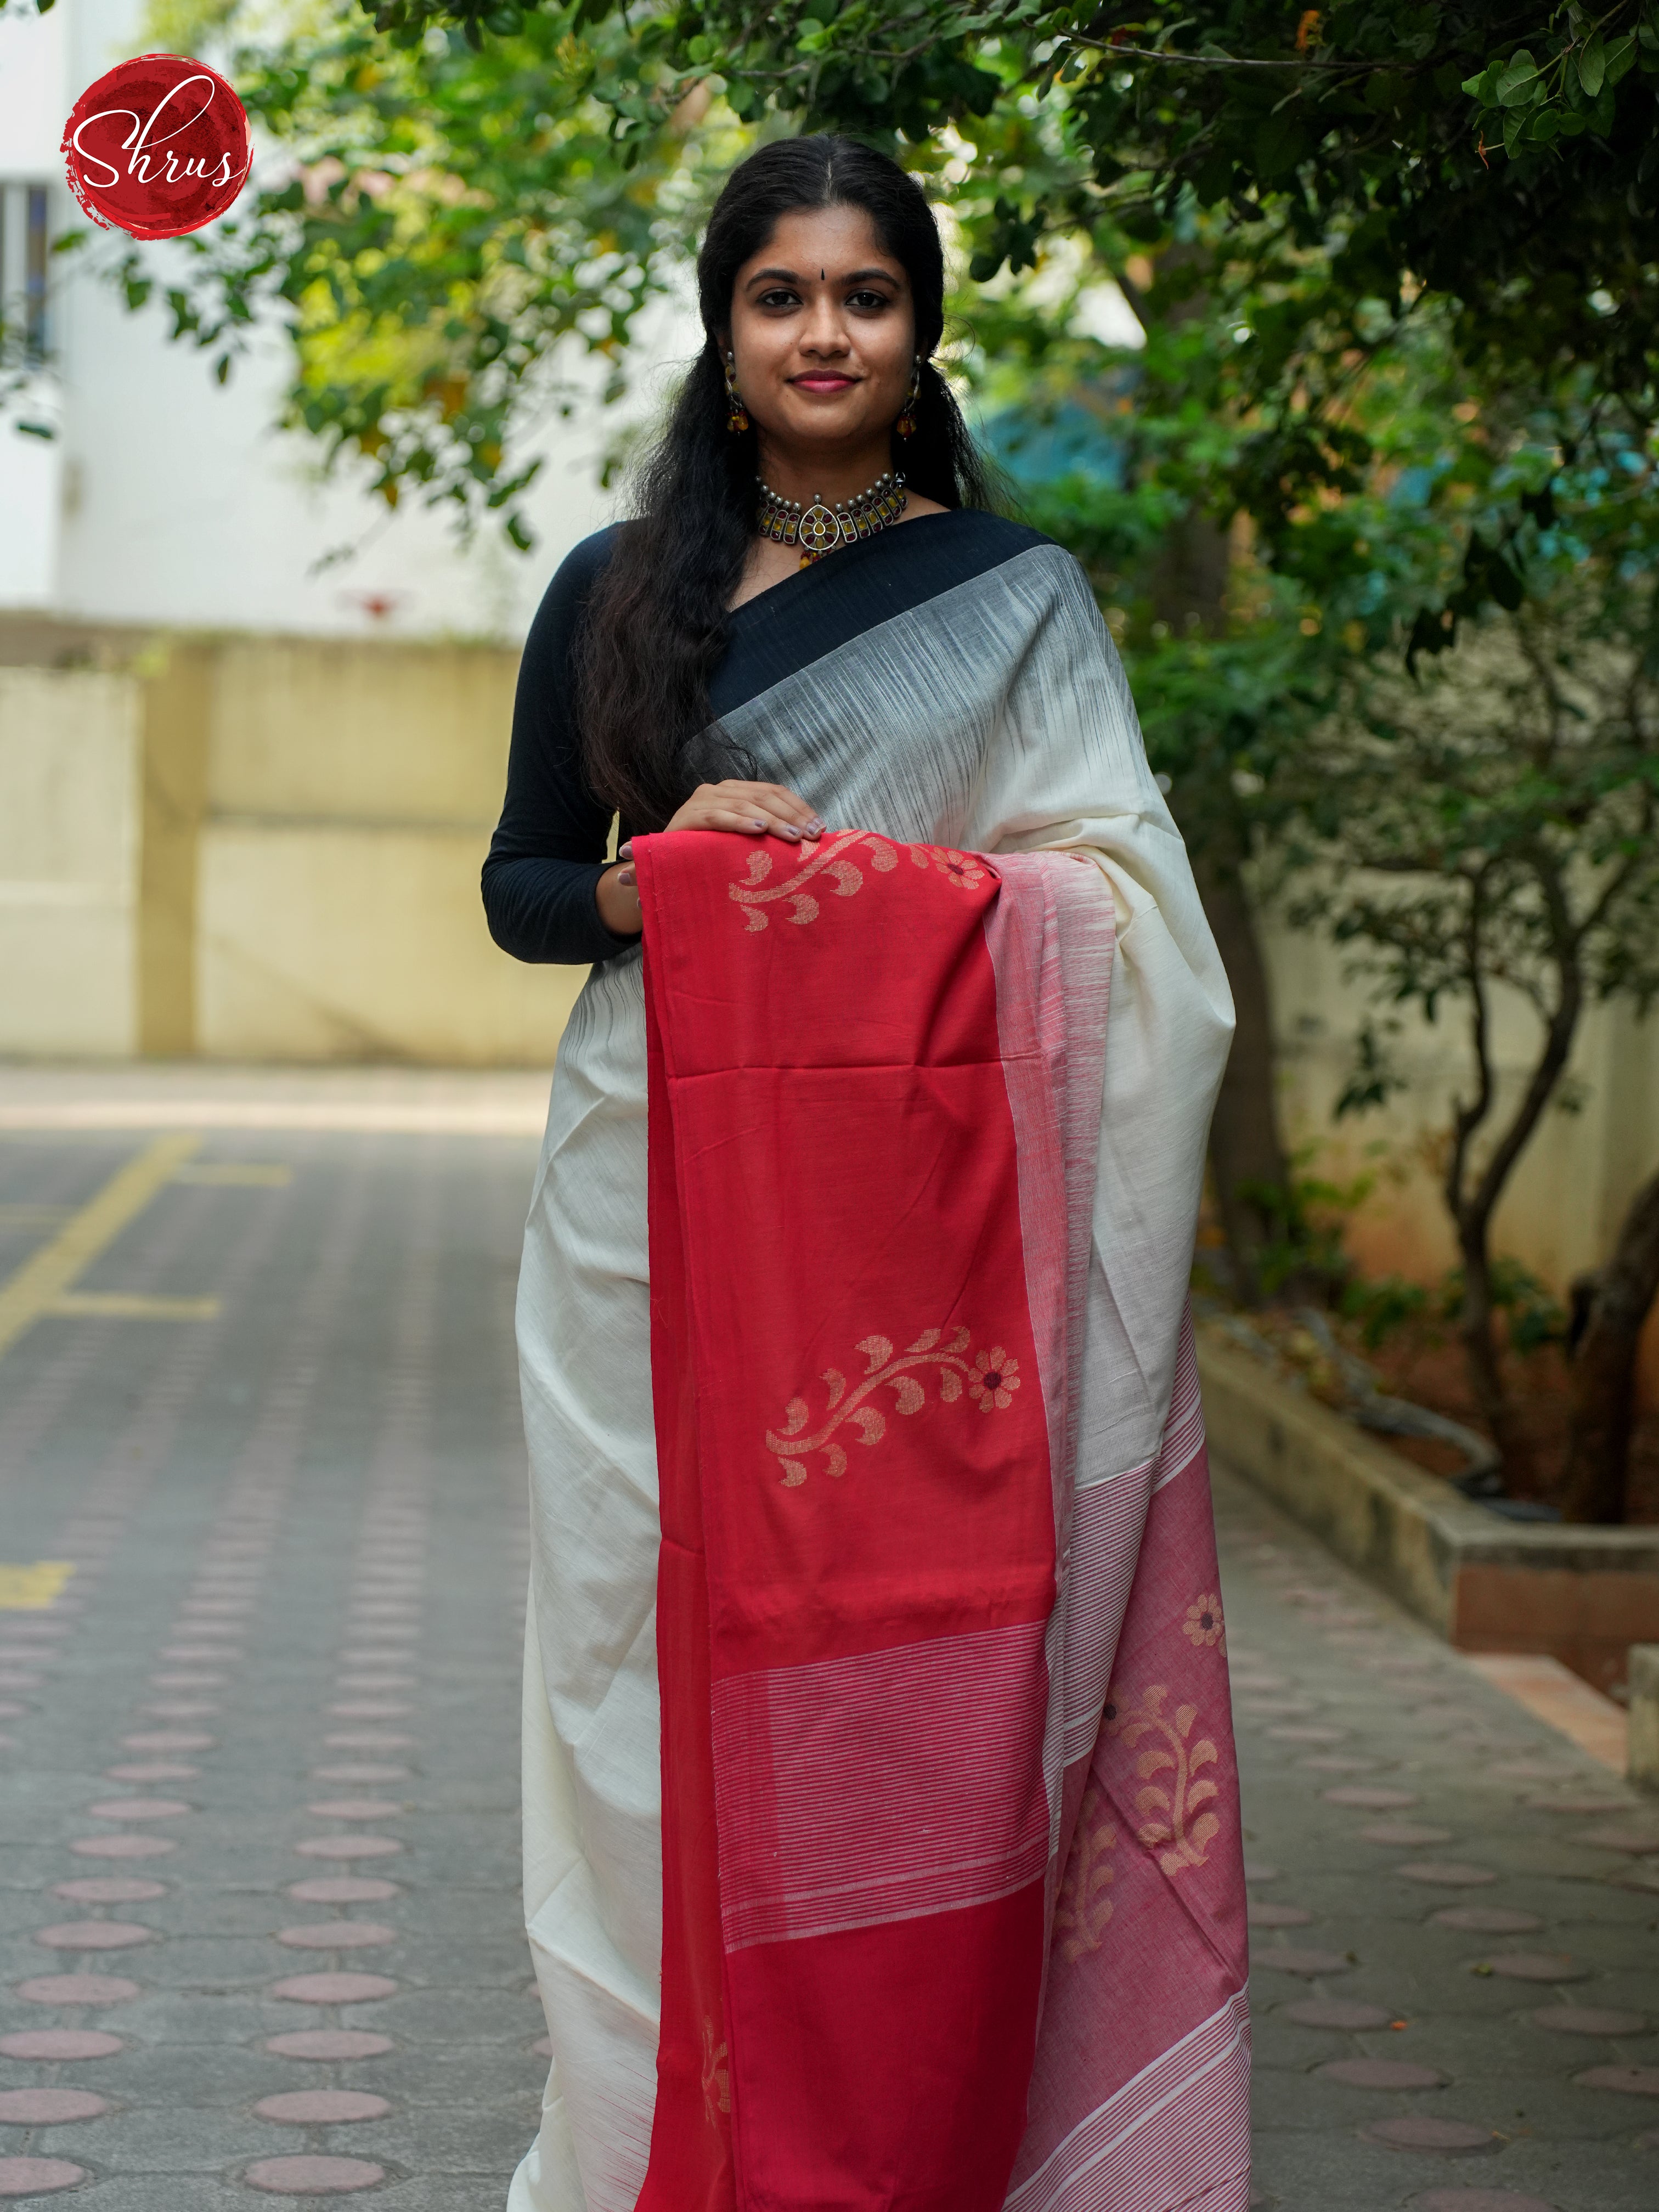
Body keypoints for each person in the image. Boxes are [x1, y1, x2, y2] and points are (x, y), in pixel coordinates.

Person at [484, 136, 1247, 2212]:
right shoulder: (611, 591)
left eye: (868, 297)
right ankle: (655, 2128)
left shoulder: (1012, 596)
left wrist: (848, 892)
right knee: (635, 1689)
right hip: (647, 1221)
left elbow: (1125, 909)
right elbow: (525, 890)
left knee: (936, 1681)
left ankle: (900, 2135)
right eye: (782, 297)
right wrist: (671, 891)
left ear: (921, 337)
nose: (826, 332)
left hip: (933, 1250)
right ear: (725, 338)